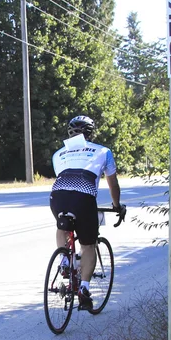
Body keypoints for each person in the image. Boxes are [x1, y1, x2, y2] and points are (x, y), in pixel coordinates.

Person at [49, 115, 126, 310]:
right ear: (91, 132)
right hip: (84, 199)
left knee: (63, 222)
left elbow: (64, 176)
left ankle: (64, 260)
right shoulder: (103, 151)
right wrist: (116, 205)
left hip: (57, 197)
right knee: (88, 245)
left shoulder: (58, 154)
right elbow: (112, 183)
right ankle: (84, 289)